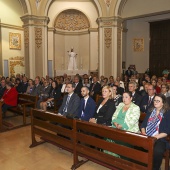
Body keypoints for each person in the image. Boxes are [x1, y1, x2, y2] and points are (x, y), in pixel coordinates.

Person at [104, 91, 140, 157]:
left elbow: (133, 121)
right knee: (106, 136)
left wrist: (122, 126)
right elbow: (114, 116)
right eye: (123, 97)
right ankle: (109, 157)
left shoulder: (135, 107)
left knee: (120, 140)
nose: (124, 99)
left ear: (131, 98)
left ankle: (119, 158)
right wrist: (115, 123)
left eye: (126, 97)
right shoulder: (121, 105)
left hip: (128, 129)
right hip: (116, 127)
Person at [141, 94, 170, 170]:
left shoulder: (167, 113)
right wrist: (143, 133)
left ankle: (155, 168)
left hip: (160, 138)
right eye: (155, 100)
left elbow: (167, 131)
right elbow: (143, 125)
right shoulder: (150, 111)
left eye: (158, 101)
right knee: (138, 146)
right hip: (147, 136)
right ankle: (143, 166)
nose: (155, 102)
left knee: (157, 151)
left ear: (163, 103)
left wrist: (155, 137)